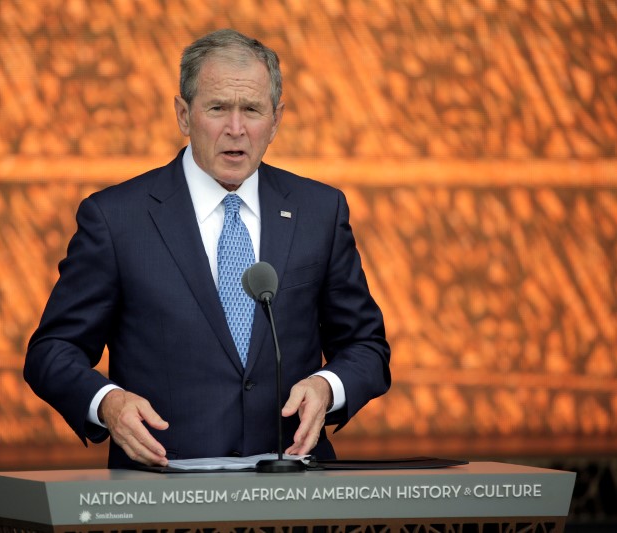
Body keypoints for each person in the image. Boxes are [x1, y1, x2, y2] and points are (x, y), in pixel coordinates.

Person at [24, 29, 391, 469]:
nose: (235, 129)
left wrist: (330, 386)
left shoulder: (320, 211)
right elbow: (52, 350)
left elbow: (366, 346)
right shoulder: (116, 219)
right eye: (217, 108)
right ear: (183, 114)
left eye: (252, 110)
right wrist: (107, 403)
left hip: (294, 487)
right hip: (162, 490)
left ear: (276, 119)